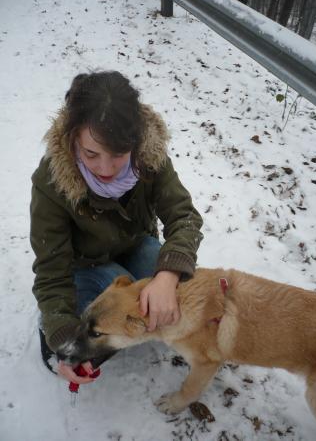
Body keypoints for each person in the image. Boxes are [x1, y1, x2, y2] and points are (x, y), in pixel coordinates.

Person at [30, 71, 203, 385]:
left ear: (135, 142)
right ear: (72, 140)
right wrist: (64, 338)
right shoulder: (51, 181)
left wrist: (167, 276)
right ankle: (55, 324)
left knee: (171, 276)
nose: (106, 169)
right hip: (82, 266)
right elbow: (51, 270)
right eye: (91, 154)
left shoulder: (150, 158)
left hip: (134, 246)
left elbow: (184, 217)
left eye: (119, 155)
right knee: (103, 295)